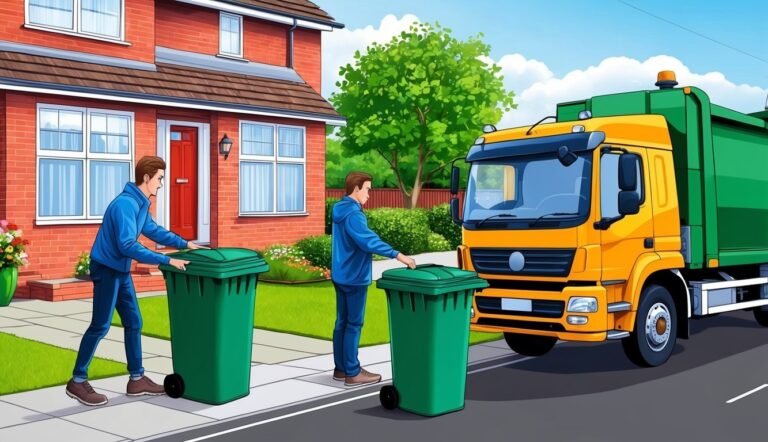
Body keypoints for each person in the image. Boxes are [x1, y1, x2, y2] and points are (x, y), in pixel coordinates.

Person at [66, 156, 207, 406]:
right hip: (107, 268)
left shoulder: (140, 204)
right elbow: (127, 244)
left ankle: (137, 379)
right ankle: (77, 381)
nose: (162, 184)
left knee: (134, 321)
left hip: (119, 270)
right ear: (146, 177)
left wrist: (184, 243)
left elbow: (153, 230)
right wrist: (166, 260)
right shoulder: (125, 205)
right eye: (160, 178)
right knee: (100, 325)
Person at [331, 172, 416, 386]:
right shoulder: (353, 214)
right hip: (355, 276)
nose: (369, 194)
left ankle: (341, 368)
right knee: (354, 323)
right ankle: (352, 372)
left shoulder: (339, 209)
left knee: (342, 322)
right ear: (356, 188)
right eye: (367, 189)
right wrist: (399, 255)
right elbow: (368, 241)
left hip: (340, 274)